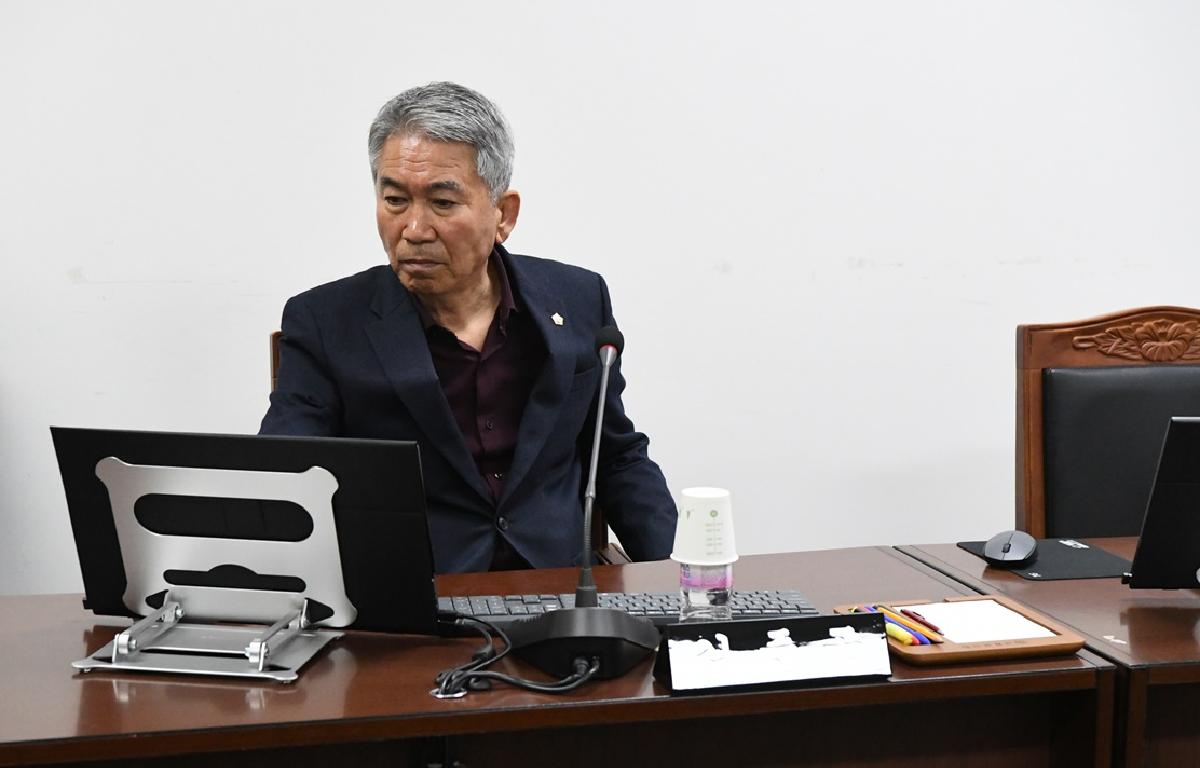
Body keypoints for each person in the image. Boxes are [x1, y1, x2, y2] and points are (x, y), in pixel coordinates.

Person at [260, 82, 677, 573]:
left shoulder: (578, 300)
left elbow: (618, 457)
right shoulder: (327, 323)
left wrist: (681, 577)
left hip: (560, 591)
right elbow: (288, 478)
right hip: (413, 607)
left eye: (442, 203)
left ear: (504, 214)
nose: (414, 229)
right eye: (395, 200)